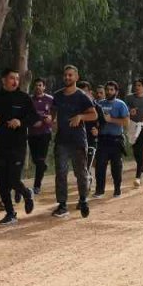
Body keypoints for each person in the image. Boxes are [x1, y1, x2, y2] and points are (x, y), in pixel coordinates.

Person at [0, 68, 40, 225]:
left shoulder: (24, 98)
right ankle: (10, 213)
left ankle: (26, 193)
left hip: (18, 144)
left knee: (13, 179)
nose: (15, 81)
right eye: (12, 78)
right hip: (1, 144)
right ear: (4, 80)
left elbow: (35, 118)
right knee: (1, 181)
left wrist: (20, 122)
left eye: (17, 78)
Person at [50, 65, 97, 218]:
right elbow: (53, 111)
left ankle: (83, 200)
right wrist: (53, 120)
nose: (67, 78)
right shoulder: (57, 95)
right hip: (61, 140)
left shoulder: (82, 96)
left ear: (76, 77)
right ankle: (62, 205)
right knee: (61, 172)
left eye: (70, 75)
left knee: (81, 173)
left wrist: (80, 117)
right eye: (65, 75)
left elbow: (94, 115)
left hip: (78, 140)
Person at [94, 81, 129, 198]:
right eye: (107, 89)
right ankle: (99, 190)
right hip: (102, 139)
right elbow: (95, 120)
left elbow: (126, 122)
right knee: (100, 165)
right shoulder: (99, 104)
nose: (109, 92)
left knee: (116, 167)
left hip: (116, 140)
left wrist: (111, 120)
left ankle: (117, 189)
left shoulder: (121, 104)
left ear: (116, 92)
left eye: (112, 90)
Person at [124, 78, 143, 185]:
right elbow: (124, 109)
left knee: (141, 149)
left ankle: (137, 177)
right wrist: (129, 111)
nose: (137, 87)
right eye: (136, 85)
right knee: (135, 150)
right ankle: (142, 168)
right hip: (133, 125)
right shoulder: (129, 97)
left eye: (139, 85)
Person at [27, 78, 55, 195]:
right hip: (32, 133)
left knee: (40, 159)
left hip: (45, 133)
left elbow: (54, 114)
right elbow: (25, 115)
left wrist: (50, 120)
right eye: (36, 85)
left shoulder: (50, 99)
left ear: (44, 87)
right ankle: (43, 166)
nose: (38, 87)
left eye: (40, 85)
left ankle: (37, 186)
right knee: (35, 159)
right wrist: (32, 122)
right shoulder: (29, 99)